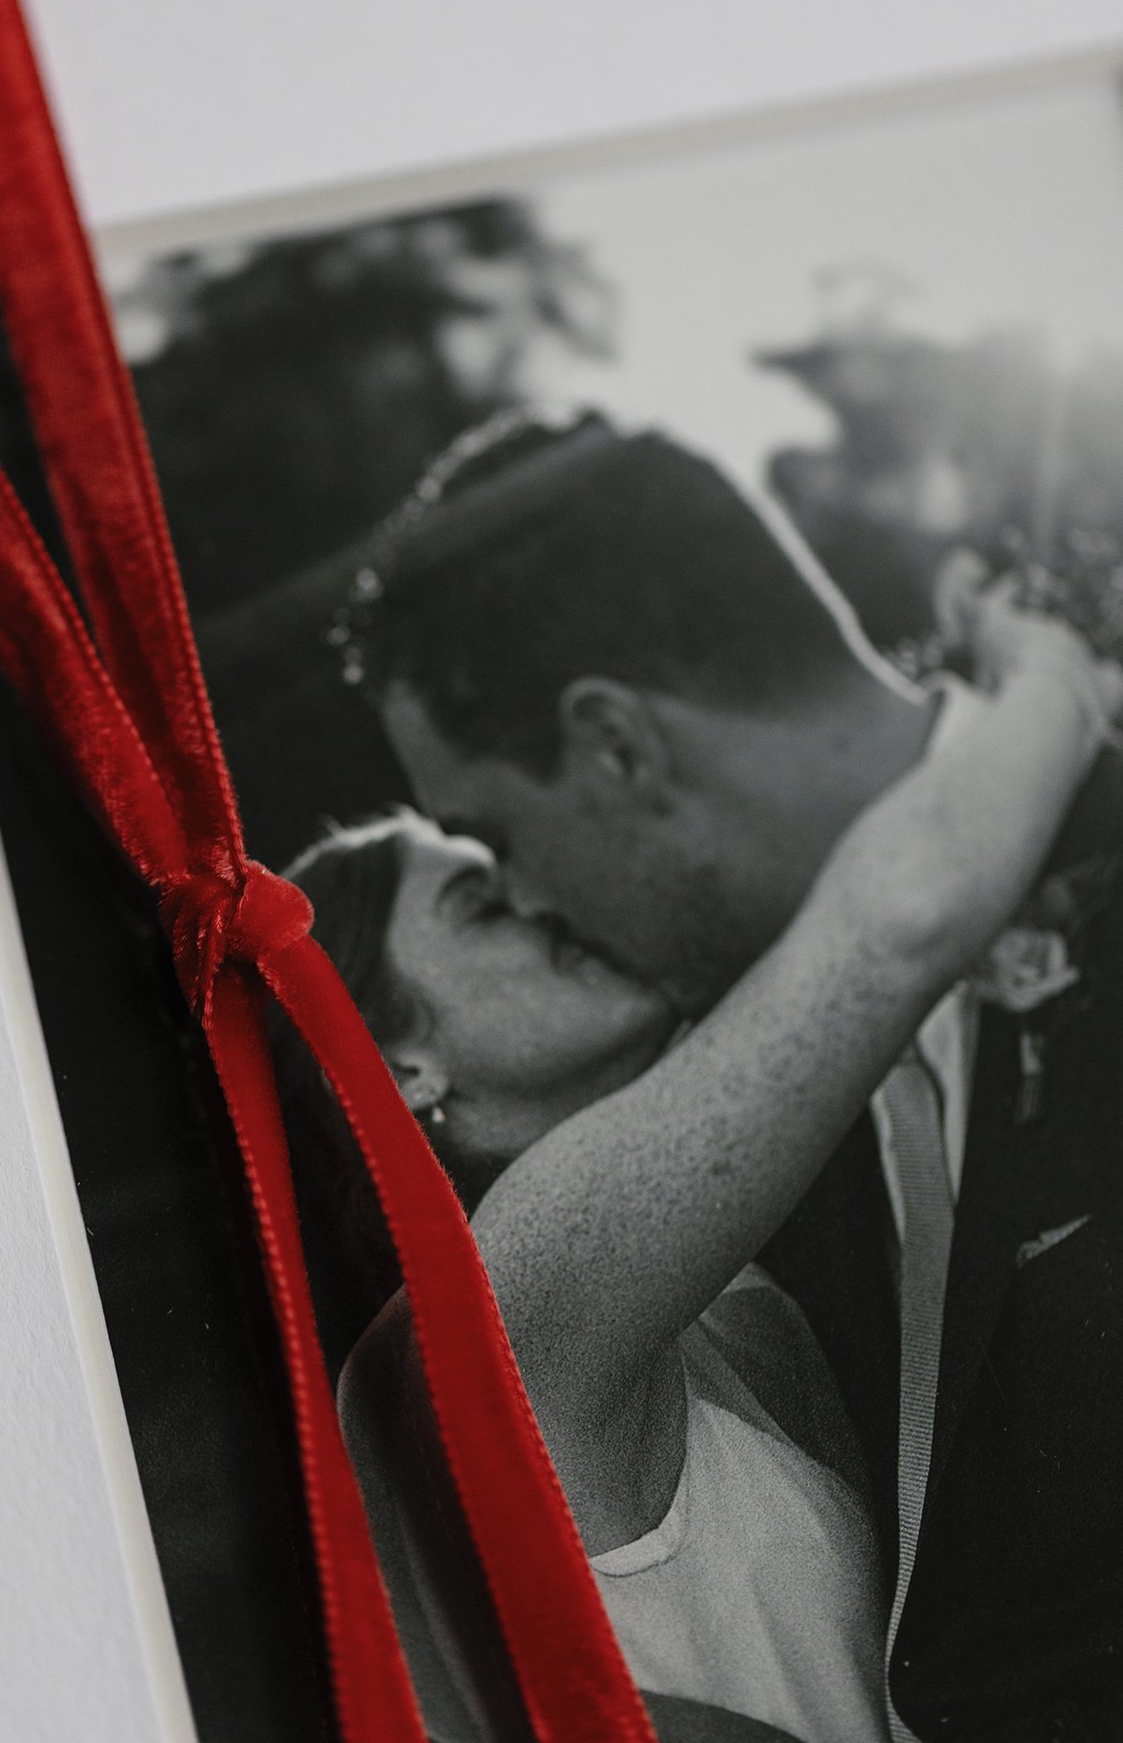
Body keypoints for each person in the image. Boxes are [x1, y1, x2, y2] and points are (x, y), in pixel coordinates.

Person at [335, 410, 1123, 1742]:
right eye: (474, 885)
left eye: (495, 837)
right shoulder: (711, 1170)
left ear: (622, 748)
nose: (532, 899)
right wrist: (1048, 673)